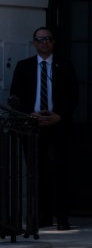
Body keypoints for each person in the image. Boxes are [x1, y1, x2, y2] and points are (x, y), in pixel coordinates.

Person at [9, 27, 79, 230]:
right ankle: (41, 216)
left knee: (59, 171)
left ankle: (62, 217)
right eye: (40, 40)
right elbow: (16, 96)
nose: (44, 43)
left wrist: (61, 116)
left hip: (57, 126)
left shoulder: (64, 66)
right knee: (35, 173)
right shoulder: (24, 67)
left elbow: (73, 95)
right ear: (34, 43)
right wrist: (30, 114)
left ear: (53, 42)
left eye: (48, 39)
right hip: (32, 127)